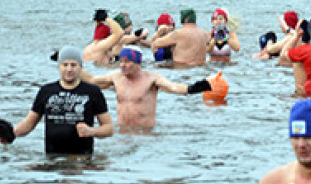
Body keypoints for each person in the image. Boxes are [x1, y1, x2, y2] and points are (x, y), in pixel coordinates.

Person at [0, 47, 113, 154]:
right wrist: (11, 134)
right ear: (59, 67)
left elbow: (109, 128)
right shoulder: (46, 91)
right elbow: (29, 123)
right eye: (65, 65)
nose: (69, 69)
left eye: (73, 65)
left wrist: (91, 131)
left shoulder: (93, 92)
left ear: (81, 67)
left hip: (82, 159)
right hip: (51, 157)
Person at [82, 45, 216, 129]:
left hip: (145, 135)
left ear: (137, 63)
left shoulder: (152, 79)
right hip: (122, 133)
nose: (122, 65)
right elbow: (92, 80)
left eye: (127, 62)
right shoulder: (115, 77)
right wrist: (68, 62)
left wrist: (194, 88)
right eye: (121, 62)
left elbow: (173, 87)